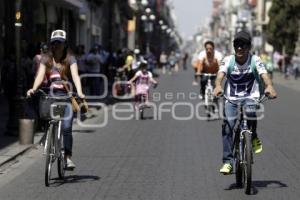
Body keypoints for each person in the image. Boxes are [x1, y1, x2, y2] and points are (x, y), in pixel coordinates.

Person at [213, 30, 277, 174]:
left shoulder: (255, 60)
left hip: (250, 96)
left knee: (250, 111)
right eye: (237, 45)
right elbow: (220, 76)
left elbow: (264, 75)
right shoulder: (228, 60)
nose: (240, 48)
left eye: (243, 45)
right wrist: (217, 85)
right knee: (228, 126)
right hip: (231, 98)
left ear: (249, 47)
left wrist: (269, 86)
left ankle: (253, 135)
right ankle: (228, 162)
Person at [27, 29, 85, 170]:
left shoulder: (70, 58)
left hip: (65, 97)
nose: (56, 46)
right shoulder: (46, 58)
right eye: (54, 43)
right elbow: (40, 76)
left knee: (66, 127)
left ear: (65, 44)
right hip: (51, 96)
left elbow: (76, 76)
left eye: (59, 43)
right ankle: (48, 137)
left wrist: (80, 92)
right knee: (46, 117)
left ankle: (67, 157)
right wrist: (33, 89)